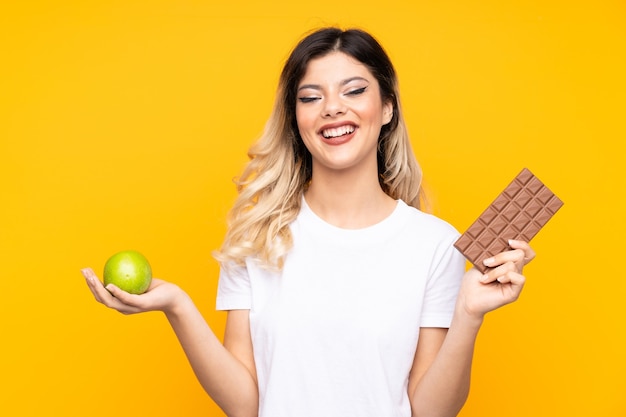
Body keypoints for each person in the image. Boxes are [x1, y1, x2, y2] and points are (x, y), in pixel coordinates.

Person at [83, 27, 535, 417]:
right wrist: (177, 306)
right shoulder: (259, 233)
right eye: (311, 97)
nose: (332, 108)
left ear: (388, 109)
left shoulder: (434, 244)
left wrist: (469, 314)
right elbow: (245, 404)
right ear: (297, 119)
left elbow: (430, 410)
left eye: (354, 91)